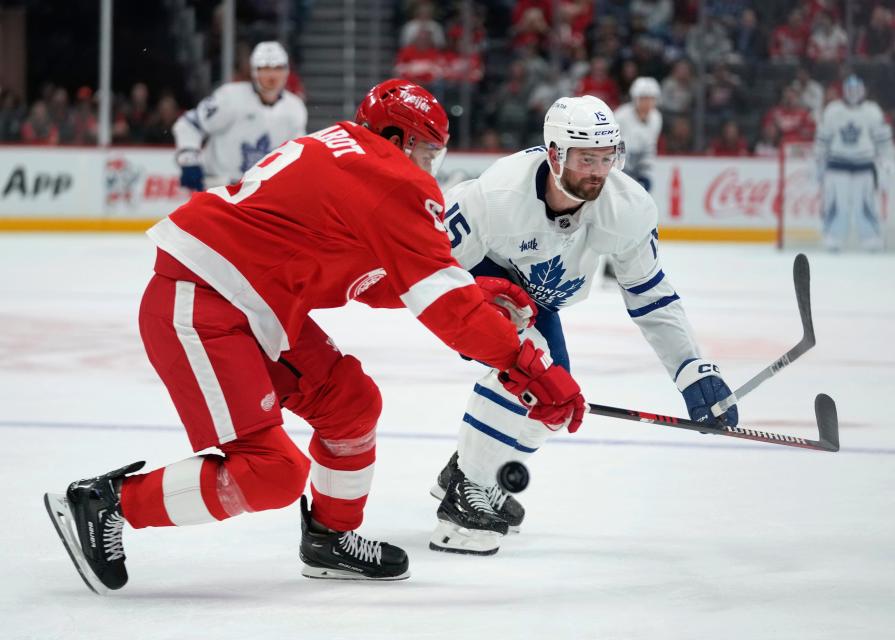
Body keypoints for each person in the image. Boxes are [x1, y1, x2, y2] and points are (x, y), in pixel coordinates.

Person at [43, 79, 586, 594]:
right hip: (203, 299)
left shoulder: (341, 152)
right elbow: (439, 304)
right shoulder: (391, 176)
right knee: (273, 472)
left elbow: (375, 282)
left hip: (251, 304)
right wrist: (529, 369)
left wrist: (470, 288)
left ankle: (330, 539)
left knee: (350, 403)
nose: (430, 168)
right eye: (427, 151)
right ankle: (108, 504)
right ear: (397, 139)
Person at [427, 95, 739, 556]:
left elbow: (651, 296)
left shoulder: (627, 207)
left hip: (537, 301)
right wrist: (478, 302)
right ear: (555, 153)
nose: (598, 170)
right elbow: (432, 268)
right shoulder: (498, 195)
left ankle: (473, 472)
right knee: (529, 374)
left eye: (606, 157)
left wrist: (690, 367)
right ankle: (463, 499)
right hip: (481, 286)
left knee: (557, 402)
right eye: (585, 157)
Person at [173, 41, 307, 191]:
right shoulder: (230, 98)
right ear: (254, 71)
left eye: (278, 68)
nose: (272, 75)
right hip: (220, 189)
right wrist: (189, 159)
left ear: (287, 71)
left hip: (262, 195)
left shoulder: (295, 108)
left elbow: (297, 155)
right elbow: (190, 124)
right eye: (265, 68)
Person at [814, 75, 894, 251]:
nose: (853, 94)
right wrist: (818, 161)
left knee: (865, 204)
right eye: (850, 90)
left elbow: (883, 141)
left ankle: (871, 238)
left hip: (864, 165)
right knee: (836, 204)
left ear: (863, 90)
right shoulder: (833, 110)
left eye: (857, 90)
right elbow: (822, 140)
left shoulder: (872, 111)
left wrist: (887, 161)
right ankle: (833, 237)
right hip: (837, 165)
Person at [614, 77, 662, 192]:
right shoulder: (621, 116)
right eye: (644, 98)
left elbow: (650, 147)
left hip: (638, 165)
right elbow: (616, 145)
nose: (648, 103)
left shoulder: (656, 118)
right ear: (635, 98)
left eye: (651, 99)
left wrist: (646, 173)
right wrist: (622, 171)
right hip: (618, 166)